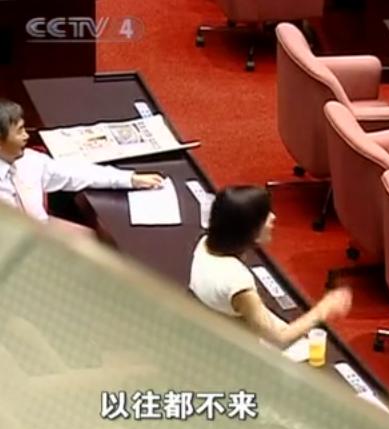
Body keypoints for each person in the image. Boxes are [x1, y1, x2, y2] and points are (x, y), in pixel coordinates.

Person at [189, 185, 352, 348]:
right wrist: (324, 308)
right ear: (249, 230)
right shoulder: (237, 282)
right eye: (265, 216)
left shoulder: (204, 244)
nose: (273, 217)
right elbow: (279, 337)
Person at [0, 98, 164, 223]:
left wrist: (130, 179)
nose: (26, 136)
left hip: (42, 235)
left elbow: (76, 173)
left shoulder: (29, 160)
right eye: (19, 131)